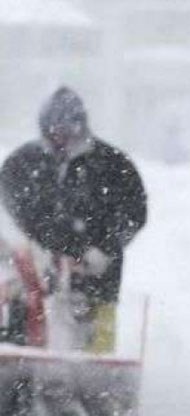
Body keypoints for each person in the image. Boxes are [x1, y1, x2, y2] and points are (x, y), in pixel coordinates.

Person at [0, 86, 147, 353]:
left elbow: (134, 213)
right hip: (34, 266)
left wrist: (104, 249)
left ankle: (95, 371)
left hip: (97, 274)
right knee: (22, 322)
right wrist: (34, 246)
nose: (60, 137)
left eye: (66, 129)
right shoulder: (21, 163)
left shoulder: (113, 165)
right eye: (53, 130)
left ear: (80, 126)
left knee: (95, 344)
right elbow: (9, 209)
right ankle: (18, 361)